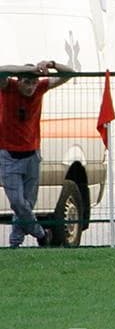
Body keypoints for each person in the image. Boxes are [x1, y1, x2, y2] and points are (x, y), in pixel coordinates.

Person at [0, 60, 72, 247]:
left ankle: (15, 243)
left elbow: (69, 73)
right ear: (19, 80)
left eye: (33, 82)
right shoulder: (8, 87)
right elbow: (2, 70)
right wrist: (30, 69)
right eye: (27, 82)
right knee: (17, 202)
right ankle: (40, 233)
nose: (31, 87)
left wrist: (52, 64)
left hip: (32, 154)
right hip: (8, 154)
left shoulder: (41, 88)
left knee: (27, 204)